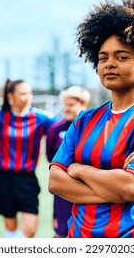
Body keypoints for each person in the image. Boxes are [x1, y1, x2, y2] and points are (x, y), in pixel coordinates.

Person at [48, 0, 134, 238]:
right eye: (102, 58)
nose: (109, 64)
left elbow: (131, 187)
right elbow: (55, 182)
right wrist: (114, 183)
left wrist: (79, 169)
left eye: (122, 56)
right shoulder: (84, 120)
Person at [0, 79, 56, 238]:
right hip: (3, 178)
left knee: (30, 229)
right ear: (11, 96)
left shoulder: (41, 117)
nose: (27, 97)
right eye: (22, 94)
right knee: (10, 225)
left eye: (29, 93)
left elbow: (63, 127)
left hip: (27, 179)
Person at [45, 86, 91, 238]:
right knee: (62, 233)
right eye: (65, 105)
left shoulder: (94, 128)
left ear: (83, 104)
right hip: (64, 192)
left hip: (90, 189)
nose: (66, 109)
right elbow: (50, 157)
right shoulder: (55, 129)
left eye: (71, 105)